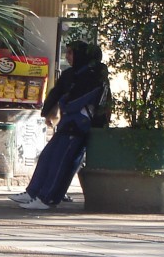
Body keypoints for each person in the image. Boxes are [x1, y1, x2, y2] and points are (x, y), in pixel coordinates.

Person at [8, 41, 110, 210]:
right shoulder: (75, 74)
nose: (67, 57)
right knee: (48, 156)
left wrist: (62, 104)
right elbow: (58, 93)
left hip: (79, 125)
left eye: (71, 53)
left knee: (60, 162)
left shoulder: (94, 77)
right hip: (68, 123)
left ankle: (48, 198)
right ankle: (34, 192)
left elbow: (75, 101)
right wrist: (51, 109)